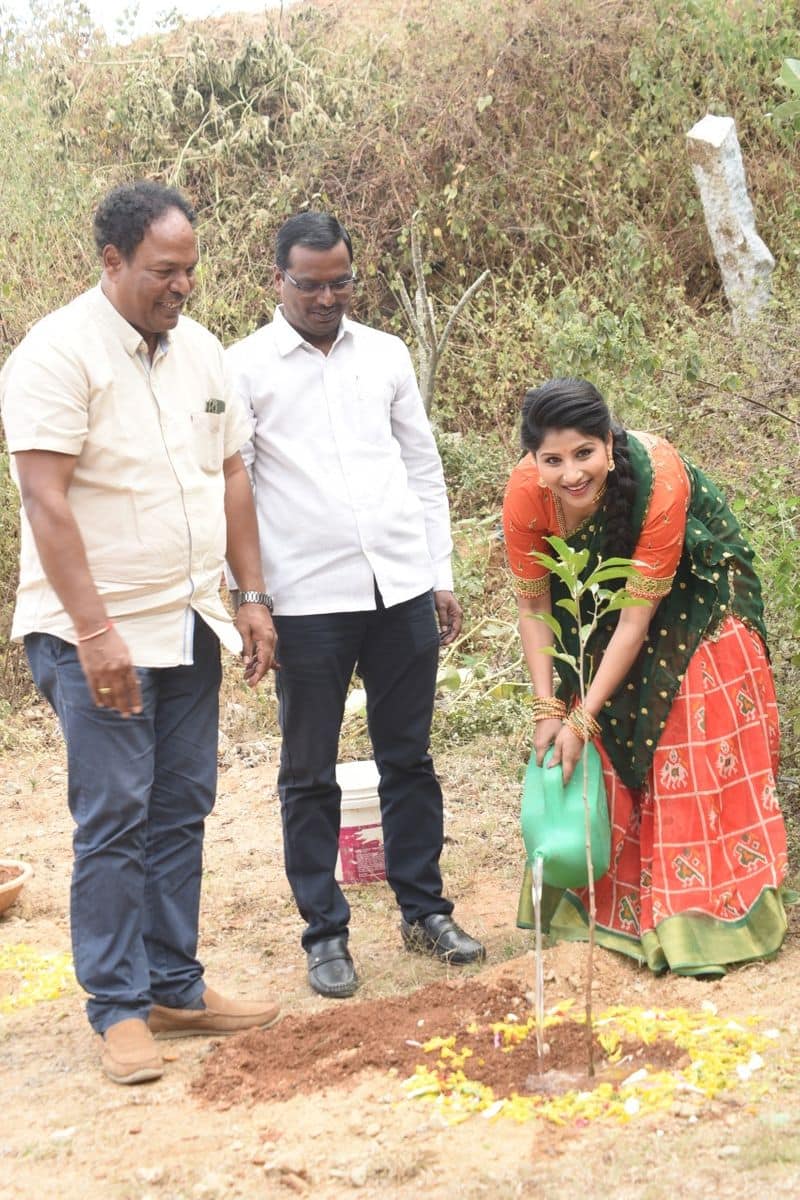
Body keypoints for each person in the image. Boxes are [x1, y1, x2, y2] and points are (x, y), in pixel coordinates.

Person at [0, 181, 281, 1085]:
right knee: (116, 812)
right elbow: (45, 499)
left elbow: (231, 474)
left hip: (192, 619)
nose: (183, 285)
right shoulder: (55, 354)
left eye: (191, 269)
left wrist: (251, 594)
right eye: (165, 269)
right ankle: (118, 1008)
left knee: (182, 803)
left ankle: (174, 985)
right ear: (113, 261)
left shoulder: (201, 353)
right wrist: (95, 631)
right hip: (97, 633)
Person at [226, 211, 485, 999]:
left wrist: (438, 573)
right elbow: (231, 487)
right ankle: (324, 934)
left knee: (409, 757)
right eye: (311, 284)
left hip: (399, 586)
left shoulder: (387, 354)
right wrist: (251, 597)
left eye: (341, 281)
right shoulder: (244, 369)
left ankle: (424, 911)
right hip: (305, 600)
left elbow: (422, 464)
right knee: (308, 771)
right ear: (278, 280)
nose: (328, 297)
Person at [503, 377, 788, 977]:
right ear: (533, 460)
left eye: (584, 454)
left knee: (684, 720)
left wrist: (583, 716)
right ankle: (610, 910)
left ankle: (698, 920)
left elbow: (636, 623)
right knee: (585, 725)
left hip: (697, 593)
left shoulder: (659, 478)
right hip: (604, 600)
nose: (571, 473)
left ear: (608, 442)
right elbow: (535, 610)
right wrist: (548, 709)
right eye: (552, 460)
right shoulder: (526, 496)